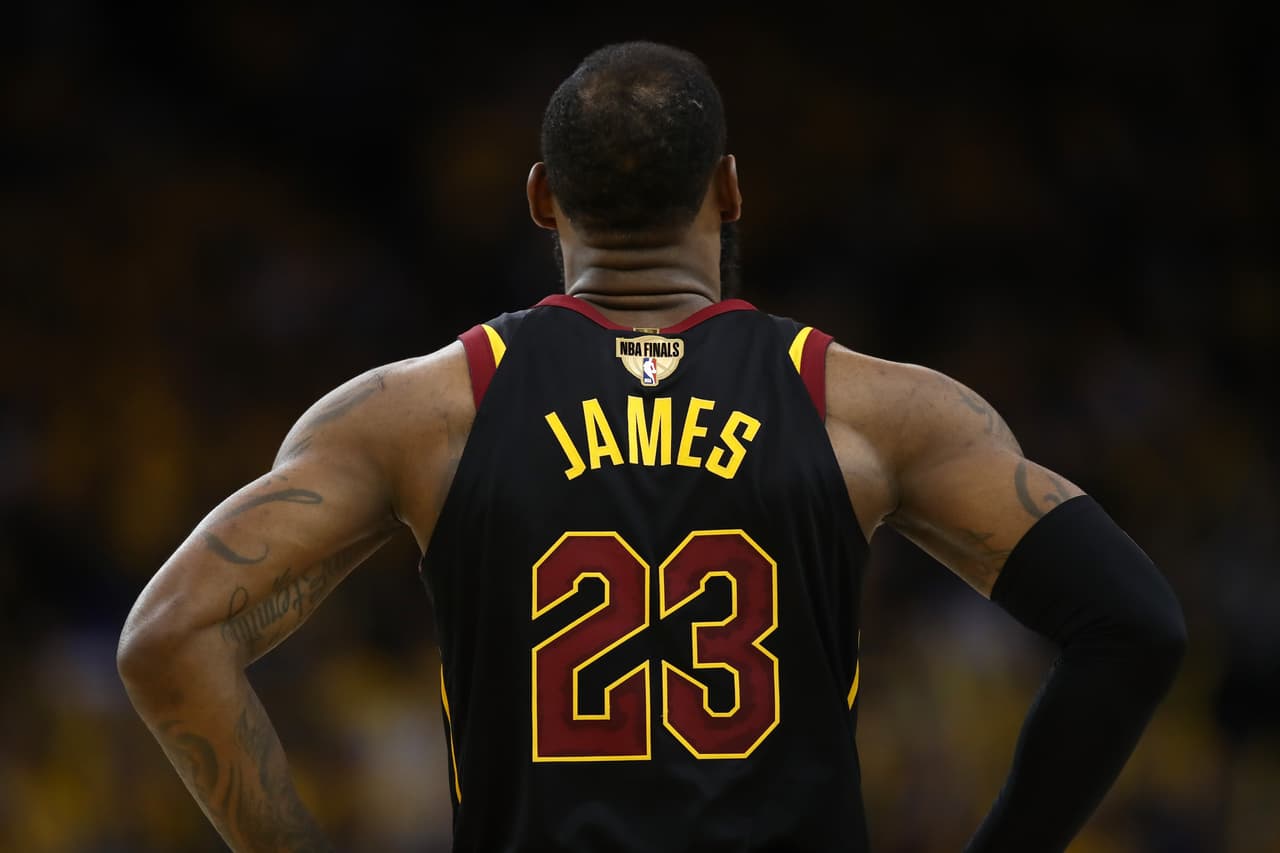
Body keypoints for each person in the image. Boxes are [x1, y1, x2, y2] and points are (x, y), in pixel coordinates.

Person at [117, 41, 1186, 852]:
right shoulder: (867, 407)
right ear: (727, 190)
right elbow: (1133, 624)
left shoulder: (420, 413)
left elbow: (166, 637)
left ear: (542, 199)